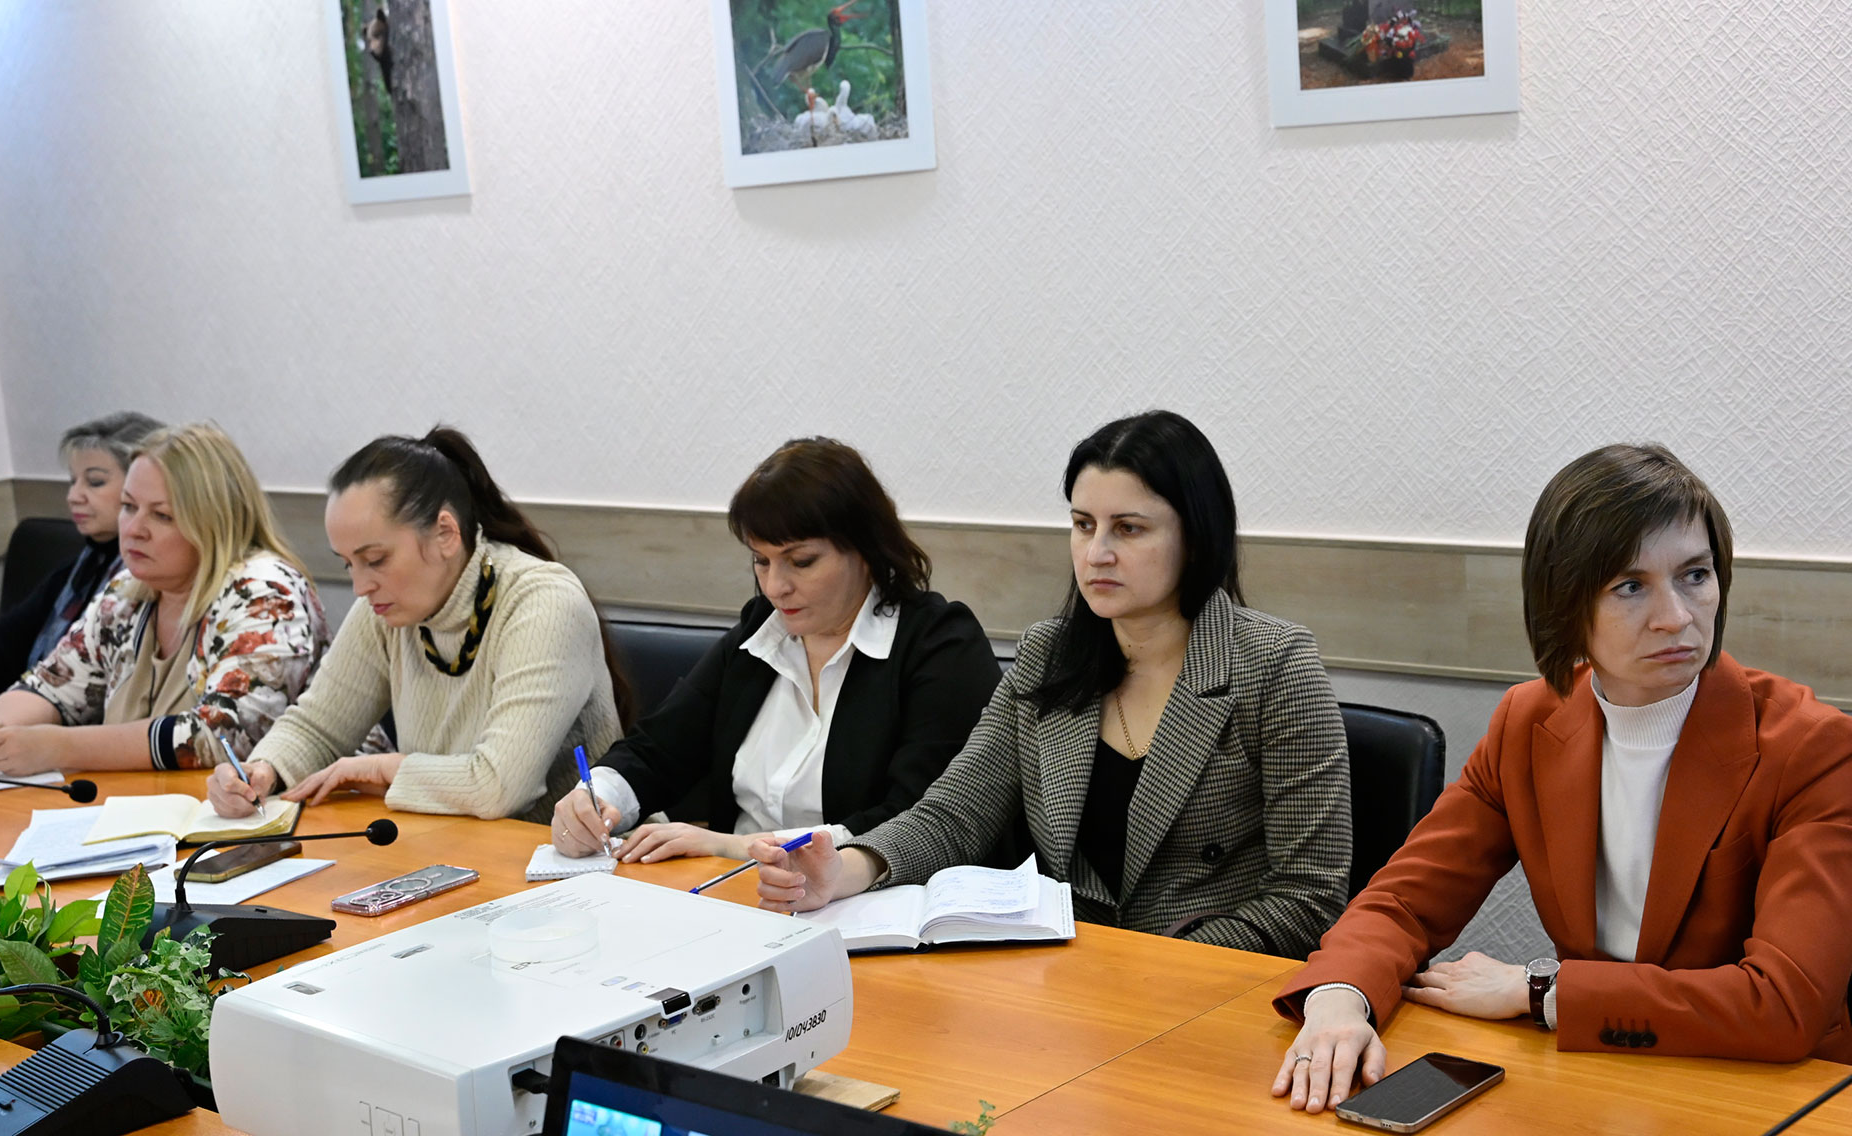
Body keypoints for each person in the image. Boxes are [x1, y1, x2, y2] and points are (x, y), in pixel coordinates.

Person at [1271, 444, 1852, 1117]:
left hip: (1777, 1095)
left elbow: (1783, 1004)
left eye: (1694, 575)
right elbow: (1404, 902)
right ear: (1566, 604)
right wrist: (1340, 998)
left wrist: (1541, 991)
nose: (1676, 615)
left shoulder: (1811, 746)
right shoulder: (1528, 723)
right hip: (1599, 1082)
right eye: (1630, 586)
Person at [745, 412, 1352, 956]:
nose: (1096, 553)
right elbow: (954, 815)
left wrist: (1150, 968)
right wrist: (846, 869)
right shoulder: (1048, 655)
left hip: (1208, 986)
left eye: (1129, 529)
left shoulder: (1275, 665)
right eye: (1084, 525)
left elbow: (1308, 896)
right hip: (1070, 978)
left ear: (1195, 538)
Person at [553, 437, 1002, 864]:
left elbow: (918, 822)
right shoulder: (761, 630)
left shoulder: (940, 645)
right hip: (732, 894)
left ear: (866, 549)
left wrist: (734, 847)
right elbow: (659, 749)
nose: (775, 586)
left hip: (868, 899)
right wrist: (596, 798)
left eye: (801, 562)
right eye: (761, 560)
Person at [208, 428, 629, 823]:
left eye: (375, 560)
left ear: (445, 533)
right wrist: (262, 770)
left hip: (586, 860)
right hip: (452, 848)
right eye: (349, 564)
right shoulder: (388, 609)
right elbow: (318, 726)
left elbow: (500, 787)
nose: (360, 587)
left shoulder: (543, 602)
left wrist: (383, 769)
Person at [0, 422, 326, 774]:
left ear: (214, 522)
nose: (133, 529)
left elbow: (222, 736)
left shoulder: (265, 593)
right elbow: (51, 686)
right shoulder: (127, 591)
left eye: (161, 515)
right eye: (129, 507)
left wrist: (60, 747)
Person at [0, 411, 163, 699]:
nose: (73, 496)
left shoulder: (148, 581)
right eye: (72, 481)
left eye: (94, 482)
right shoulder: (82, 567)